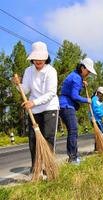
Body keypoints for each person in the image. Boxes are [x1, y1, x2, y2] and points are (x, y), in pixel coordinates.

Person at [13, 41, 59, 172]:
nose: (38, 61)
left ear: (46, 58)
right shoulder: (29, 71)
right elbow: (26, 89)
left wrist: (33, 102)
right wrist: (18, 85)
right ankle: (36, 168)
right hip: (34, 110)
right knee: (33, 140)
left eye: (41, 58)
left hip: (50, 108)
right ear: (32, 58)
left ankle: (49, 168)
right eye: (36, 58)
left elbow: (51, 93)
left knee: (48, 137)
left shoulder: (51, 71)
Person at [59, 57, 97, 164]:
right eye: (88, 71)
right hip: (66, 106)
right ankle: (72, 158)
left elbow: (74, 85)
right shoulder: (76, 78)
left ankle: (74, 157)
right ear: (82, 67)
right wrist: (87, 100)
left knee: (73, 131)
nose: (88, 73)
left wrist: (82, 82)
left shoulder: (76, 76)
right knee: (73, 130)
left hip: (65, 105)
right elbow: (74, 96)